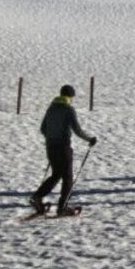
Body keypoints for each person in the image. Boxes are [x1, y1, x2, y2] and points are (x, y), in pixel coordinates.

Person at [29, 84, 97, 217]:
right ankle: (62, 207)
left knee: (56, 174)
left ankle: (37, 197)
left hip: (50, 147)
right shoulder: (68, 109)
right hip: (63, 147)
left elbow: (43, 128)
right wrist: (90, 139)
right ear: (70, 96)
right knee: (67, 177)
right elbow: (77, 130)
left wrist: (52, 137)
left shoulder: (51, 108)